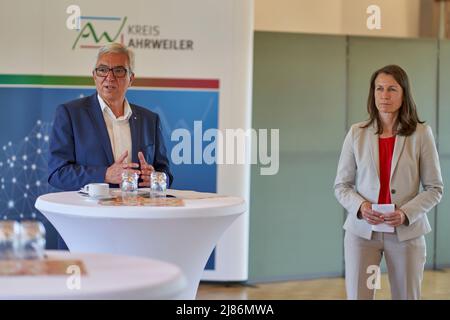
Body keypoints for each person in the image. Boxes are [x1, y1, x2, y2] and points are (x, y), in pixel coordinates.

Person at [334, 64, 443, 300]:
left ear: (404, 94)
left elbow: (435, 189)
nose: (384, 95)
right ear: (372, 93)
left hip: (406, 233)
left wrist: (405, 213)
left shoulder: (421, 134)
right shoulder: (356, 133)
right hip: (362, 234)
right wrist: (362, 207)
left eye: (392, 89)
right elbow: (341, 186)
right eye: (379, 88)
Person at [48, 43, 173, 247]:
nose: (110, 77)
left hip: (138, 229)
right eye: (103, 70)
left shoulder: (150, 119)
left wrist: (155, 178)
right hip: (86, 227)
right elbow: (57, 173)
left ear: (131, 78)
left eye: (119, 71)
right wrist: (105, 174)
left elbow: (166, 173)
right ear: (94, 75)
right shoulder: (70, 114)